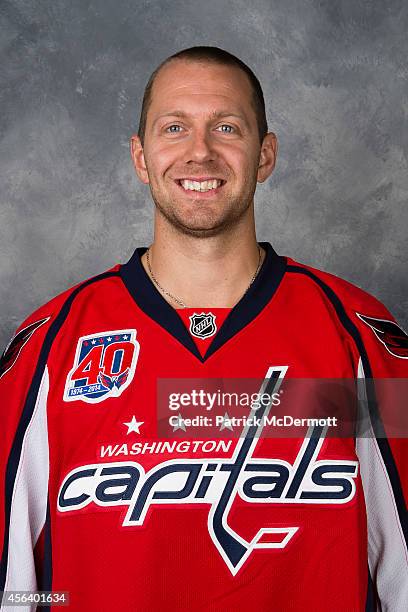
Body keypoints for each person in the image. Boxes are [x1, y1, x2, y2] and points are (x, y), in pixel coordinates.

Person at [0, 45, 407, 611]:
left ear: (265, 155)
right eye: (174, 128)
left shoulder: (356, 335)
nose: (200, 153)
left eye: (226, 127)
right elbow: (11, 582)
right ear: (140, 158)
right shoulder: (52, 343)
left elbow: (404, 571)